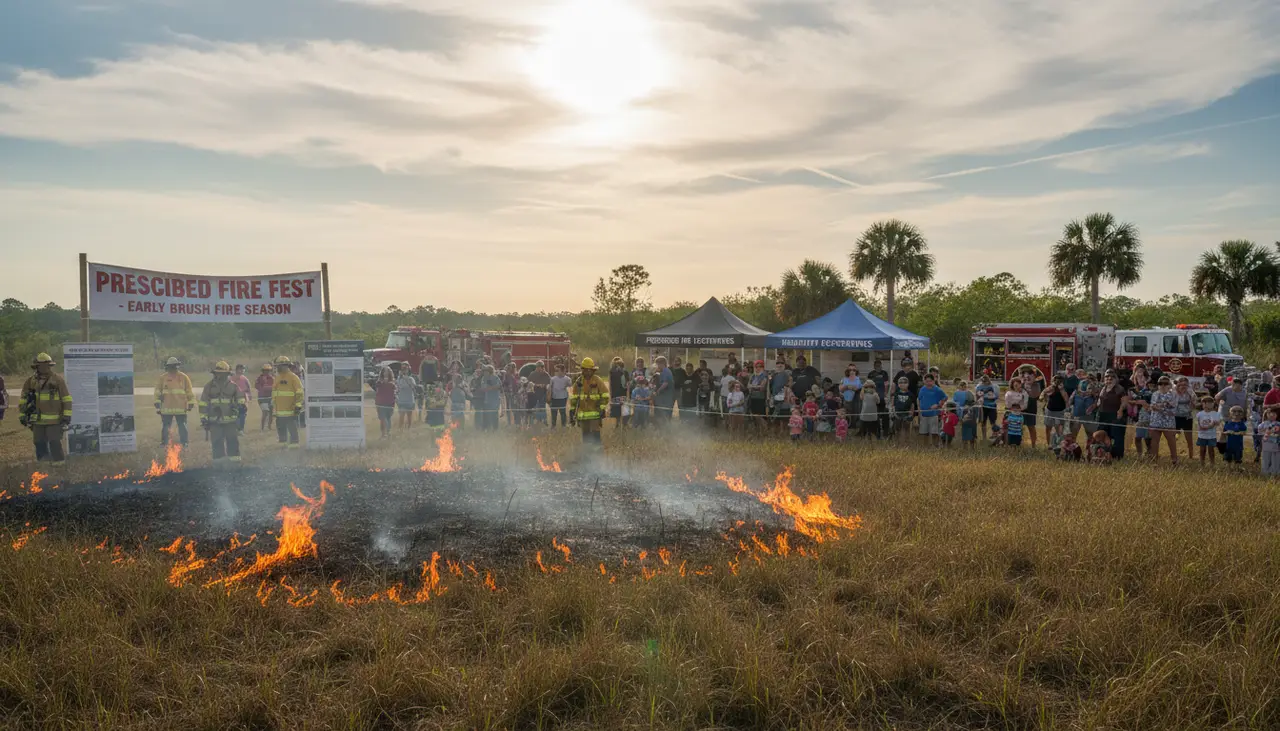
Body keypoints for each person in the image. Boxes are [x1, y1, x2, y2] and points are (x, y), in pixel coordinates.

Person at [20, 353, 73, 464]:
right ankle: (43, 466)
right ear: (37, 366)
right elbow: (24, 399)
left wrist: (67, 415)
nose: (45, 368)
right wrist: (22, 415)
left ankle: (59, 464)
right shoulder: (30, 381)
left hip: (54, 420)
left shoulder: (57, 380)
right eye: (42, 365)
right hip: (37, 420)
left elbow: (66, 399)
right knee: (39, 442)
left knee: (54, 442)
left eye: (47, 365)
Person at [199, 361, 243, 464]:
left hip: (230, 421)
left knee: (232, 441)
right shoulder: (209, 387)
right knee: (217, 442)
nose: (220, 375)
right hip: (215, 421)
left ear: (227, 374)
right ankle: (219, 465)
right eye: (218, 373)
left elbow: (240, 399)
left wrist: (239, 407)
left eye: (223, 373)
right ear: (215, 373)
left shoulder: (233, 386)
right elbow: (203, 403)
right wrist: (204, 418)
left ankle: (235, 463)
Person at [154, 356, 195, 448]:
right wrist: (157, 404)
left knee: (182, 426)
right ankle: (165, 443)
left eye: (174, 366)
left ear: (177, 366)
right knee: (166, 426)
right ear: (168, 367)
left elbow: (189, 391)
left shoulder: (184, 377)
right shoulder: (162, 378)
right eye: (171, 366)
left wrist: (191, 402)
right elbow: (157, 392)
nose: (173, 368)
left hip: (180, 408)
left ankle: (184, 443)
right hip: (166, 408)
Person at [569, 357, 610, 446]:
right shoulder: (579, 381)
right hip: (582, 415)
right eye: (585, 370)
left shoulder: (597, 380)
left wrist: (602, 407)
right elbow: (574, 398)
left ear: (592, 370)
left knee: (595, 436)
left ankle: (597, 456)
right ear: (583, 370)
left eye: (589, 370)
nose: (587, 372)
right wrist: (572, 411)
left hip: (595, 414)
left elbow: (605, 395)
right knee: (586, 437)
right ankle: (587, 454)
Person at [1092, 372, 1129, 460]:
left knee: (1117, 437)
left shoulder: (1119, 389)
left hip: (1115, 416)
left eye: (1111, 378)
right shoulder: (1103, 388)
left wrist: (1120, 410)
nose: (1109, 380)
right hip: (1103, 416)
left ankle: (1117, 456)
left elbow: (1125, 401)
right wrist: (1094, 406)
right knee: (1101, 435)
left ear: (1115, 379)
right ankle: (1102, 454)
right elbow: (1099, 401)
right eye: (1107, 378)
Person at [271, 355, 304, 448]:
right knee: (281, 429)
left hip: (290, 409)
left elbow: (300, 392)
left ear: (285, 366)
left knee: (292, 428)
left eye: (278, 366)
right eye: (276, 366)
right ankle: (283, 445)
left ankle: (294, 445)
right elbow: (274, 393)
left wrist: (298, 405)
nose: (277, 368)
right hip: (279, 411)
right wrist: (273, 405)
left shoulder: (293, 377)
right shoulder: (277, 377)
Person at [1147, 376, 1179, 464]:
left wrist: (1160, 408)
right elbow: (1152, 406)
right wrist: (1164, 405)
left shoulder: (1174, 395)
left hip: (1169, 423)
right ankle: (1154, 461)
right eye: (1160, 383)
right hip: (1155, 421)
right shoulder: (1155, 394)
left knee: (1171, 442)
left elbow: (1173, 411)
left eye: (1165, 383)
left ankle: (1174, 460)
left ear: (1169, 385)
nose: (1163, 385)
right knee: (1154, 442)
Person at [916, 374, 947, 447]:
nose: (928, 383)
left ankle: (935, 446)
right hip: (924, 414)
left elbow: (945, 397)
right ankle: (925, 447)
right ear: (924, 381)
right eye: (926, 381)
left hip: (934, 414)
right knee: (924, 433)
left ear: (933, 381)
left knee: (934, 432)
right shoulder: (922, 389)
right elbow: (918, 399)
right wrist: (919, 408)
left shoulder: (937, 389)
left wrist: (938, 405)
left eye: (930, 381)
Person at [1195, 396, 1222, 466]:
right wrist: (1201, 427)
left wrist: (1214, 423)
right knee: (1202, 450)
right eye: (1206, 403)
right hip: (1202, 435)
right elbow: (1197, 424)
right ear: (1203, 404)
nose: (1209, 404)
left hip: (1211, 436)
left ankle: (1212, 463)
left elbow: (1218, 423)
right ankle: (1202, 462)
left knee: (1211, 450)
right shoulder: (1199, 414)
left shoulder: (1216, 414)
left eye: (1211, 403)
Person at [1021, 368, 1045, 448]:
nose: (1028, 376)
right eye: (1026, 374)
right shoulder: (1021, 384)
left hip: (1031, 408)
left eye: (1030, 374)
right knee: (1019, 426)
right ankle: (1018, 443)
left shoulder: (1036, 385)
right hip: (1020, 409)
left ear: (1033, 376)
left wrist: (1029, 387)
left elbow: (1035, 395)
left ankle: (1033, 445)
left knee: (1031, 427)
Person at [866, 359, 890, 438]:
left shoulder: (884, 373)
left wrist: (886, 394)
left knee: (883, 414)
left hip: (882, 397)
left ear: (881, 365)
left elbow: (886, 384)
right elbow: (868, 386)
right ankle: (876, 433)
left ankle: (885, 432)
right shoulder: (871, 374)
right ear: (874, 366)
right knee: (874, 415)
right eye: (876, 365)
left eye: (879, 365)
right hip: (873, 397)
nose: (878, 367)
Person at [1129, 378, 1152, 458]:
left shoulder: (1153, 393)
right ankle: (1139, 455)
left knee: (1148, 439)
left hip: (1150, 418)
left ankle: (1149, 454)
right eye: (1149, 384)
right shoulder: (1142, 392)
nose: (1150, 386)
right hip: (1141, 418)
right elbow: (1133, 399)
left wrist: (1142, 402)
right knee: (1138, 438)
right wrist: (1139, 402)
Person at [1042, 375, 1068, 446]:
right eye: (1055, 381)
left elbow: (1066, 399)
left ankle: (1059, 445)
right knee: (1048, 428)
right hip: (1049, 410)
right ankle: (1049, 445)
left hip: (1059, 411)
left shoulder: (1063, 389)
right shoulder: (1050, 388)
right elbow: (1044, 395)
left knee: (1059, 430)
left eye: (1059, 381)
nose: (1056, 383)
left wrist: (1061, 389)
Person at [889, 377, 916, 443]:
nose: (902, 384)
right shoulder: (896, 394)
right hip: (897, 415)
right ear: (898, 384)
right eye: (900, 383)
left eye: (905, 382)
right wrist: (893, 413)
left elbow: (912, 406)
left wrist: (910, 415)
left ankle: (906, 444)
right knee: (897, 431)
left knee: (906, 430)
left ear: (908, 384)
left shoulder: (911, 394)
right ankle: (897, 444)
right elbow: (892, 405)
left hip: (907, 415)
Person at [975, 375, 1000, 442]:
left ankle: (995, 437)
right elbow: (977, 396)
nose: (985, 382)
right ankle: (984, 438)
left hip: (992, 406)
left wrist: (987, 396)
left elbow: (997, 396)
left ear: (989, 379)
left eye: (986, 380)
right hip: (982, 407)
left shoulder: (995, 386)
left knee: (993, 422)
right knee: (983, 422)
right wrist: (978, 402)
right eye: (983, 381)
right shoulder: (978, 387)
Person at [229, 364, 252, 434]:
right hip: (233, 400)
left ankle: (240, 429)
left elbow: (249, 388)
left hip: (243, 400)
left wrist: (249, 397)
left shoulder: (245, 379)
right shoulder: (231, 378)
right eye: (241, 369)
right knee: (235, 416)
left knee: (242, 415)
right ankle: (237, 429)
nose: (242, 370)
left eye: (243, 369)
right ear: (237, 370)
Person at [652, 356, 675, 424]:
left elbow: (665, 383)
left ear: (662, 363)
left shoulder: (665, 371)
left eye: (657, 364)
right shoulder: (663, 371)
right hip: (665, 397)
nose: (657, 366)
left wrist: (658, 391)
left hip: (667, 398)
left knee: (665, 415)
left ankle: (666, 430)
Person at [374, 367, 395, 438]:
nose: (385, 373)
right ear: (382, 373)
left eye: (387, 371)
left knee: (388, 418)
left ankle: (388, 433)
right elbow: (377, 392)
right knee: (382, 419)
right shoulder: (379, 382)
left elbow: (395, 391)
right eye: (384, 371)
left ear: (389, 373)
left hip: (390, 403)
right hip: (381, 403)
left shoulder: (393, 382)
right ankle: (383, 434)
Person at [527, 361, 551, 425]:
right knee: (536, 407)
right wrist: (536, 385)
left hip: (543, 393)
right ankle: (538, 421)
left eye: (540, 367)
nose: (538, 368)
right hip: (534, 394)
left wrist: (545, 385)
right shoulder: (532, 374)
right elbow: (528, 383)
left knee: (542, 407)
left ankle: (544, 421)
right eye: (537, 367)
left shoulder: (546, 374)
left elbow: (549, 383)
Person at [550, 363, 573, 427]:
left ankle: (564, 426)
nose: (556, 372)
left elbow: (570, 386)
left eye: (558, 370)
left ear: (562, 371)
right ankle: (553, 426)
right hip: (554, 398)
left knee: (563, 413)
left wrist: (568, 383)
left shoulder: (567, 379)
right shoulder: (552, 379)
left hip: (563, 398)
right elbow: (550, 389)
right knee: (554, 413)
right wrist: (549, 398)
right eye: (555, 370)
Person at [1259, 407, 1280, 476]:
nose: (1272, 415)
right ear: (1266, 414)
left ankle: (1275, 472)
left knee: (1275, 460)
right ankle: (1265, 472)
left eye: (1274, 413)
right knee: (1266, 459)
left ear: (1277, 415)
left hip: (1276, 446)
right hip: (1266, 445)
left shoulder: (1278, 423)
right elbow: (1259, 430)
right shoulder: (1263, 424)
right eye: (1269, 413)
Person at [395, 366, 417, 431]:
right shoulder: (399, 379)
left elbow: (413, 386)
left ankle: (409, 429)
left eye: (405, 370)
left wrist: (406, 378)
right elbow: (398, 387)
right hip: (402, 400)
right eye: (402, 370)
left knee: (409, 416)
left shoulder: (411, 378)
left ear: (408, 371)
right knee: (401, 416)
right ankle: (400, 430)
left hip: (409, 400)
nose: (404, 371)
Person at [255, 364, 275, 431]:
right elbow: (257, 387)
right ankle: (262, 427)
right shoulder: (259, 378)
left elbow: (274, 387)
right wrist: (266, 388)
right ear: (262, 371)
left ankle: (269, 426)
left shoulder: (272, 378)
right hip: (262, 398)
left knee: (271, 413)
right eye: (265, 371)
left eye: (268, 371)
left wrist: (267, 388)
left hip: (270, 397)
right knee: (265, 411)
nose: (267, 372)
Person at [608, 357, 627, 425]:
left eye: (620, 365)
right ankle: (617, 424)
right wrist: (610, 395)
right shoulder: (611, 372)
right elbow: (610, 384)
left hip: (623, 394)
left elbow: (627, 385)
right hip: (615, 394)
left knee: (624, 411)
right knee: (616, 412)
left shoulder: (625, 372)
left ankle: (624, 425)